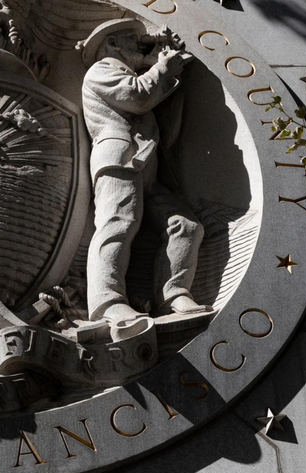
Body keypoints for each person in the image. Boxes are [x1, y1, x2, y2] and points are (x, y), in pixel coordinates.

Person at [76, 18, 210, 331]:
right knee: (118, 224)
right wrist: (162, 67)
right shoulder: (102, 69)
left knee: (186, 226)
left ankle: (174, 295)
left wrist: (166, 63)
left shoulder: (130, 71)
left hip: (146, 165)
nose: (140, 42)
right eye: (131, 38)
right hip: (120, 158)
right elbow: (137, 98)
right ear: (111, 44)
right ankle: (107, 302)